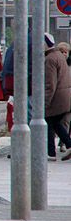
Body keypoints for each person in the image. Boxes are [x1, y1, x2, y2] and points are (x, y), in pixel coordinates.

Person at [43, 33, 71, 161]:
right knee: (56, 124)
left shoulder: (50, 59)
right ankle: (69, 145)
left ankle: (50, 153)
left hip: (56, 98)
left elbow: (50, 84)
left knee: (49, 122)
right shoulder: (59, 56)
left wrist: (45, 102)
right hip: (64, 97)